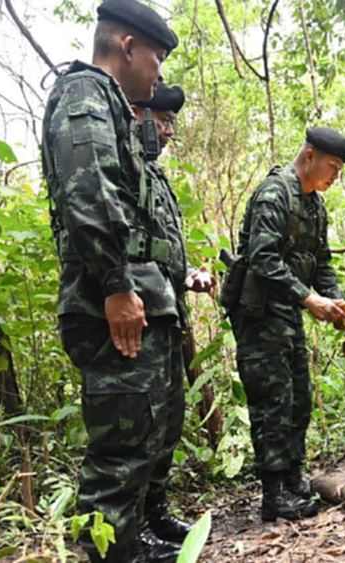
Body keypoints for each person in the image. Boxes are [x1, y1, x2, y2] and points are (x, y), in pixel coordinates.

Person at [41, 1, 209, 560]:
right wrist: (115, 285)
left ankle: (134, 531)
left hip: (134, 292)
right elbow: (86, 195)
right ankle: (109, 550)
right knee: (121, 442)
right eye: (157, 57)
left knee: (149, 429)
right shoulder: (85, 92)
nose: (159, 72)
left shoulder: (110, 102)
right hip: (106, 297)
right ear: (128, 46)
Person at [230, 127, 345, 522]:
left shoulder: (315, 206)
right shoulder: (274, 194)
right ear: (310, 156)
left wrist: (335, 300)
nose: (335, 175)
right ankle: (272, 495)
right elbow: (263, 259)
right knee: (273, 400)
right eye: (332, 166)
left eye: (339, 169)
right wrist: (309, 298)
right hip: (260, 314)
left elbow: (323, 261)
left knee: (299, 396)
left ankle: (292, 477)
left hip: (287, 314)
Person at [130, 83, 216, 545]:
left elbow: (157, 251)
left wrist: (187, 276)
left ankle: (155, 513)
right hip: (137, 311)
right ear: (136, 115)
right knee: (140, 424)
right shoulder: (122, 166)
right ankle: (131, 527)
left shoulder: (156, 176)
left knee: (168, 419)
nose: (166, 133)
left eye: (171, 126)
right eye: (161, 122)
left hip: (167, 308)